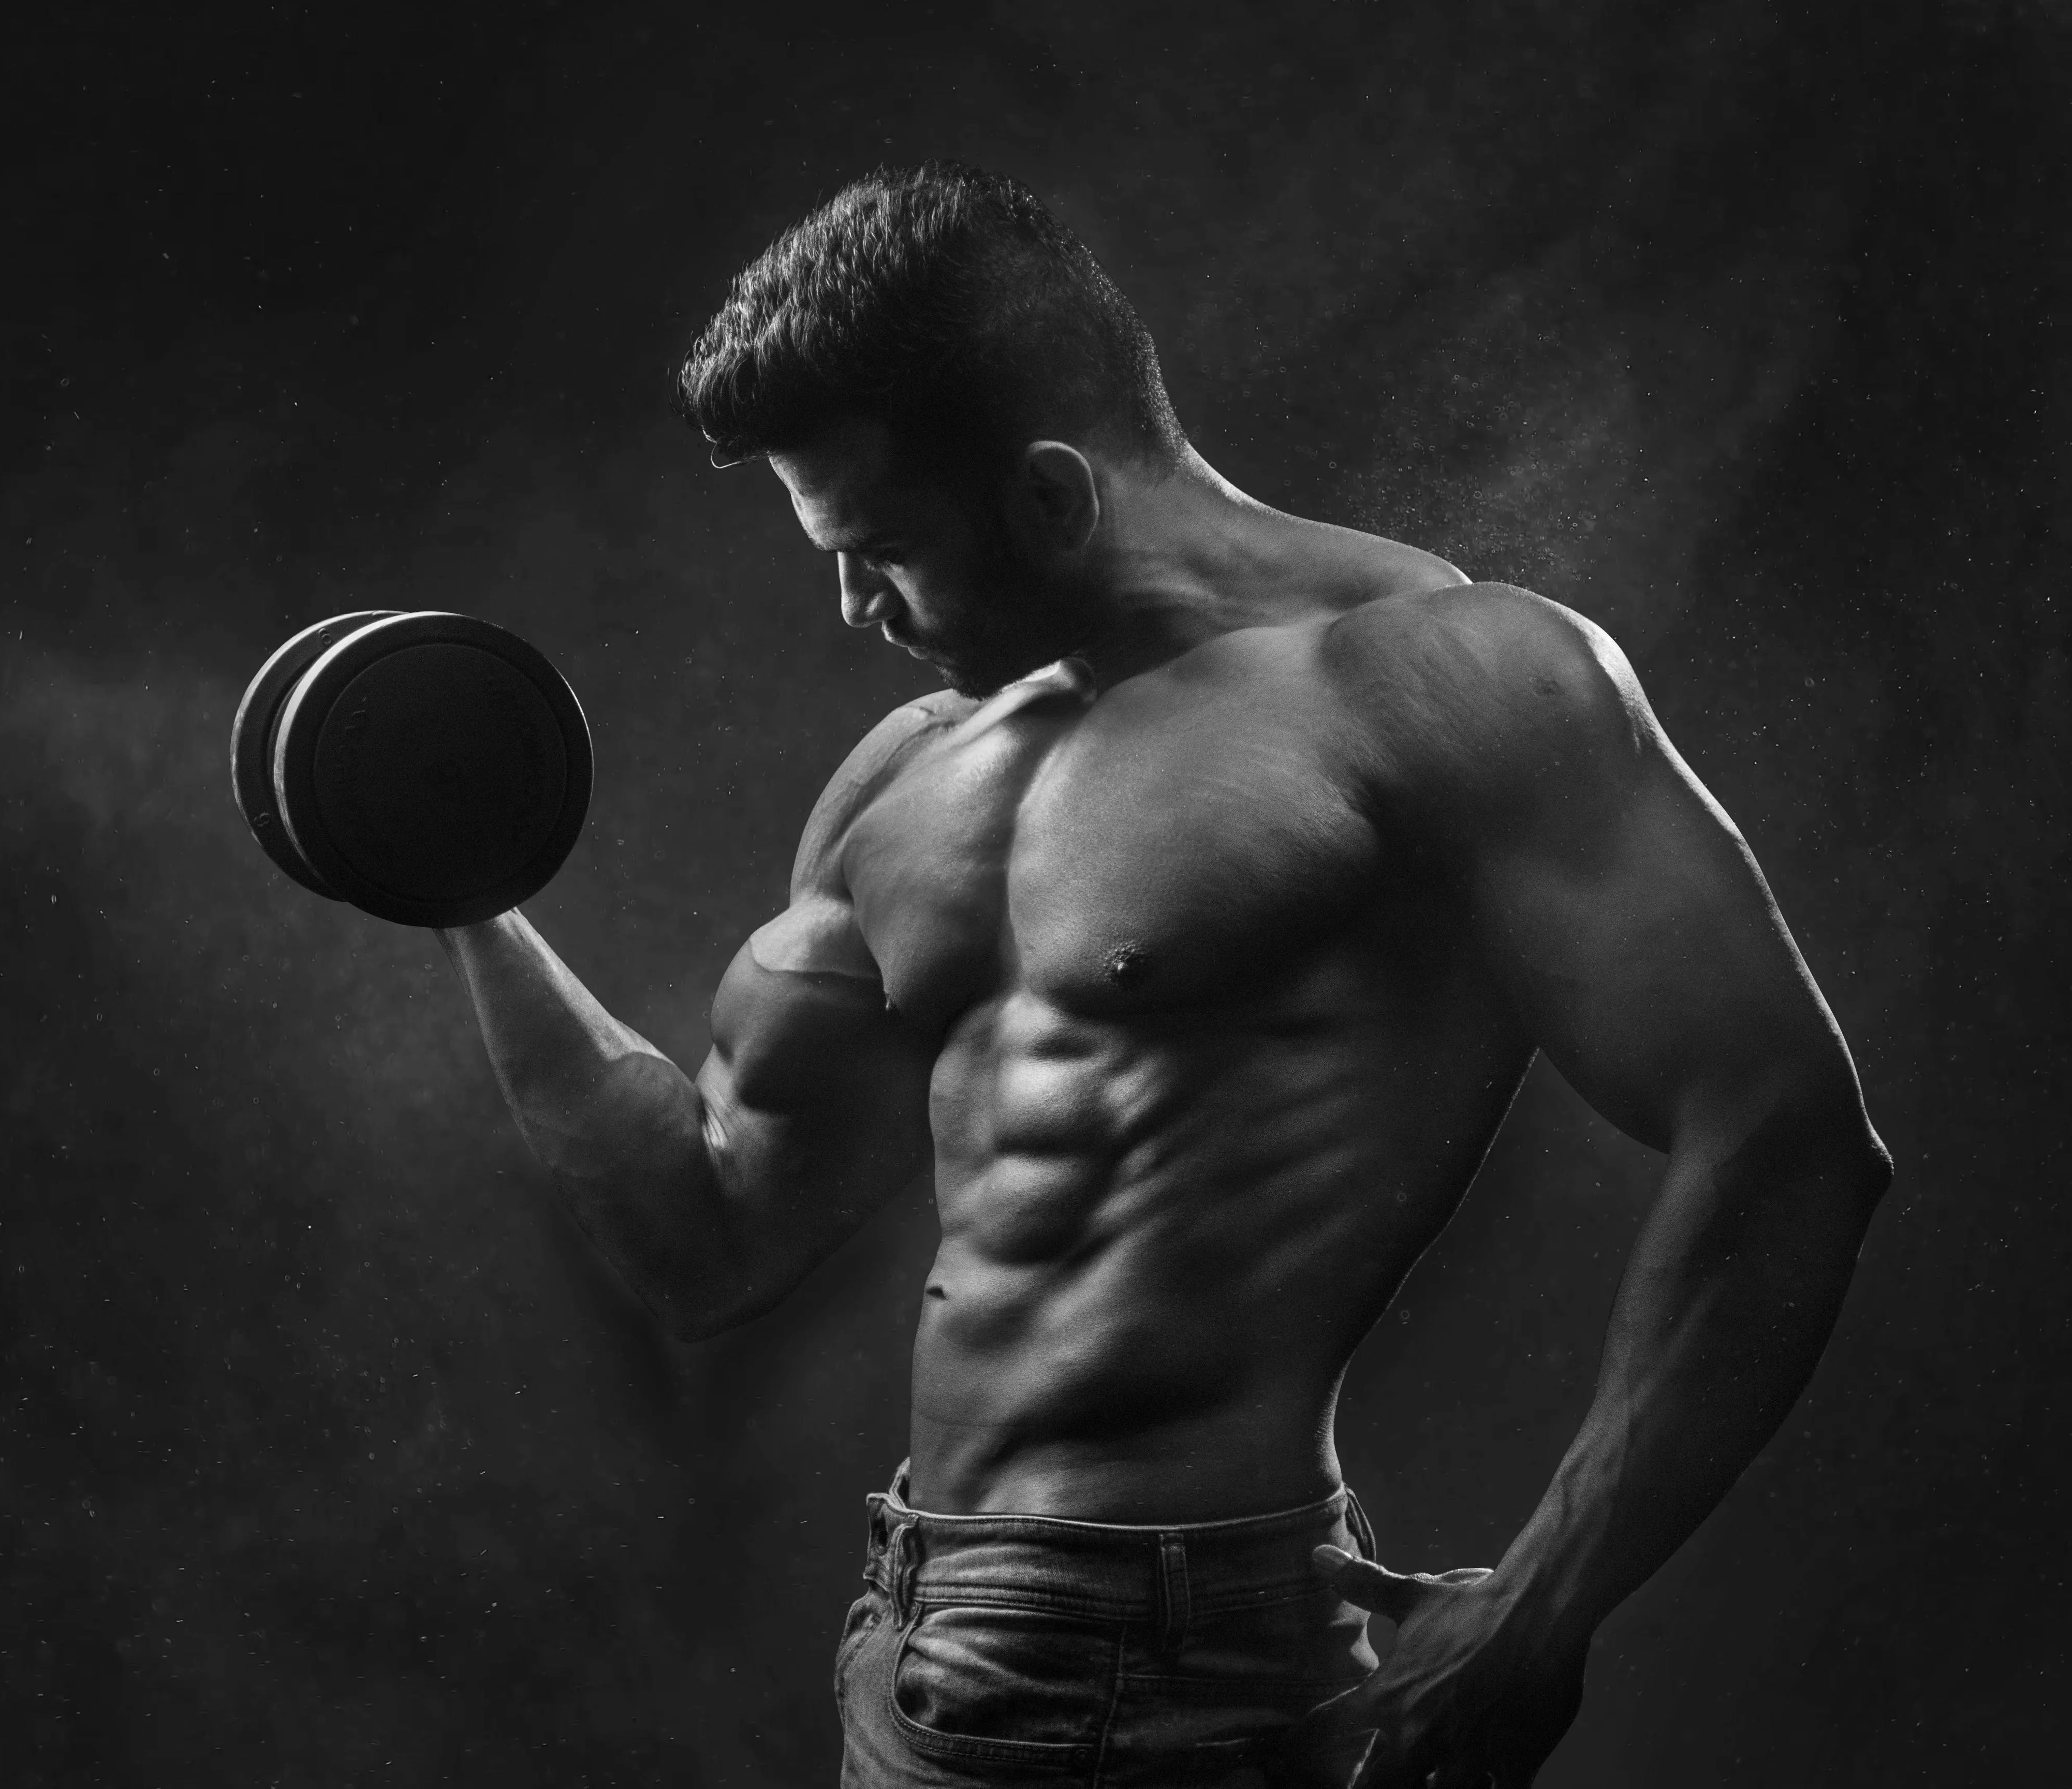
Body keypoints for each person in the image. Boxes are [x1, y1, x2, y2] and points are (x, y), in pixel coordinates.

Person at [437, 164, 1892, 1787]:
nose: (854, 608)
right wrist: (466, 903)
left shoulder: (1433, 688)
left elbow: (1789, 1137)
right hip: (908, 1651)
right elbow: (708, 1241)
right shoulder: (909, 776)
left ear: (1055, 496)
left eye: (886, 550)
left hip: (1184, 1678)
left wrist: (1549, 1603)